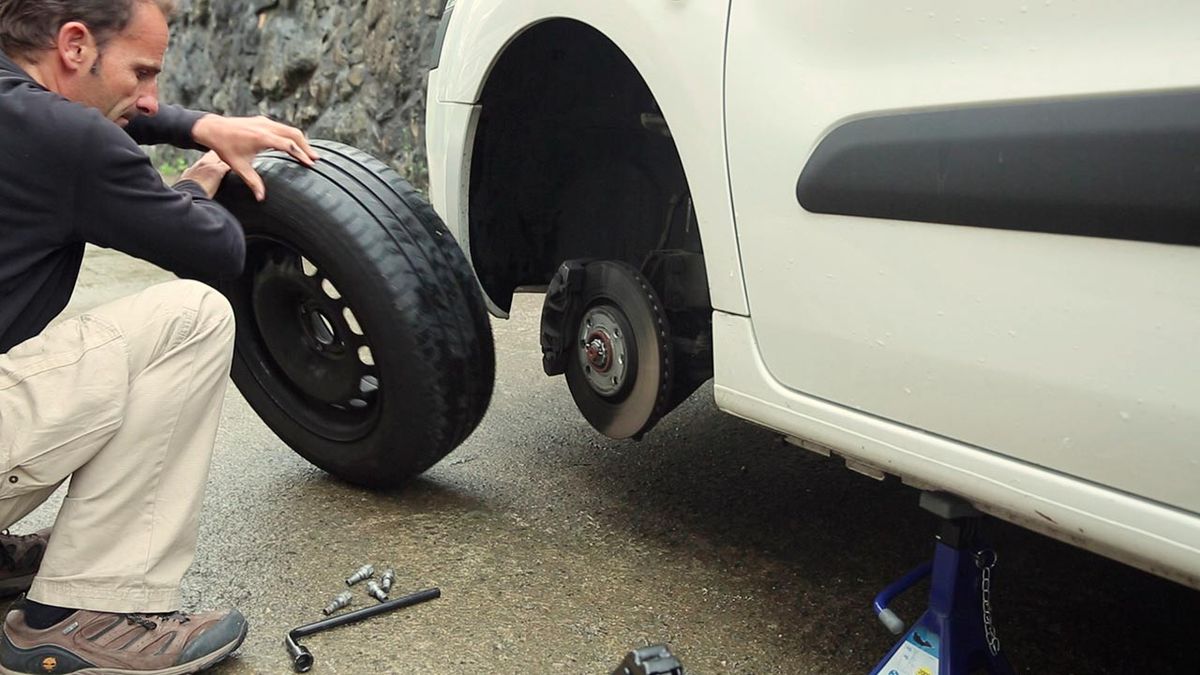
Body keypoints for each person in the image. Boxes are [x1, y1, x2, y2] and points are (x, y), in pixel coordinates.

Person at [0, 0, 320, 671]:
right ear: (74, 45)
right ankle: (85, 610)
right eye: (143, 72)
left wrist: (196, 124)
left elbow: (91, 113)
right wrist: (198, 180)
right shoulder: (70, 142)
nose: (150, 99)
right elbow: (214, 250)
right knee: (190, 318)